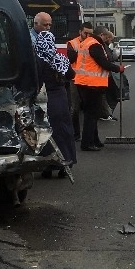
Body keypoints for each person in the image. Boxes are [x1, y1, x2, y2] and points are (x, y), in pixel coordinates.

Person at [71, 26, 124, 151]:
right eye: (106, 37)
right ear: (102, 35)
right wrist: (118, 69)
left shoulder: (86, 42)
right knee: (91, 114)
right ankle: (87, 143)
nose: (107, 39)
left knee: (92, 113)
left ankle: (94, 140)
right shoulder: (95, 45)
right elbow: (103, 63)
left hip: (83, 82)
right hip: (91, 84)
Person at [33, 29, 76, 177]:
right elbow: (71, 74)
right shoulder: (59, 58)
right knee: (63, 129)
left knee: (46, 131)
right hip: (61, 97)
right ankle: (66, 162)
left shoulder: (36, 60)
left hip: (43, 99)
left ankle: (48, 165)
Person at [67, 21, 93, 141]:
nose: (87, 36)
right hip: (75, 79)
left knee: (89, 108)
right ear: (80, 32)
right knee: (75, 108)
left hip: (89, 80)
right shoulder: (73, 43)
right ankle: (75, 134)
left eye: (89, 34)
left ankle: (90, 136)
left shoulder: (93, 43)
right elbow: (71, 58)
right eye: (85, 33)